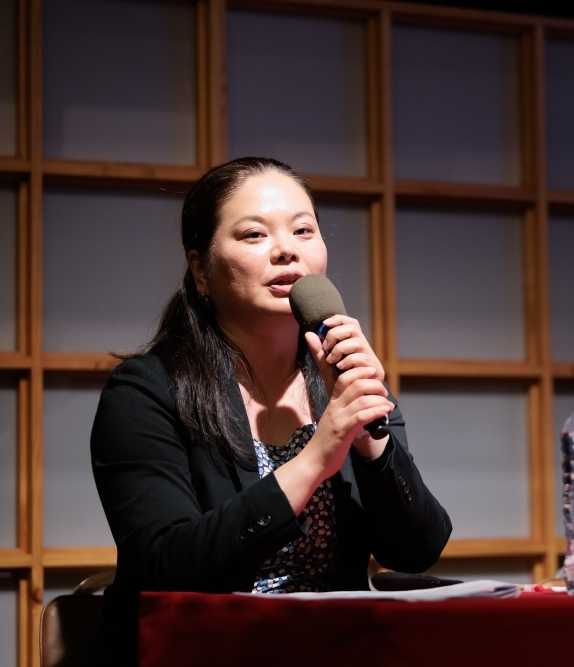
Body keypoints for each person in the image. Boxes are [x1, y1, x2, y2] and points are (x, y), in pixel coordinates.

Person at [89, 157, 451, 665]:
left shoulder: (343, 381)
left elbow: (416, 551)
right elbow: (165, 568)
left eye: (304, 231)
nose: (287, 249)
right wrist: (315, 458)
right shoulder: (146, 391)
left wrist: (371, 442)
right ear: (201, 269)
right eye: (255, 235)